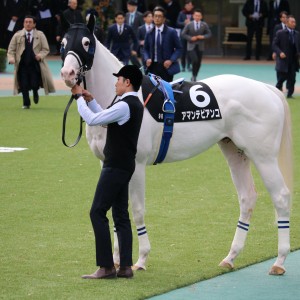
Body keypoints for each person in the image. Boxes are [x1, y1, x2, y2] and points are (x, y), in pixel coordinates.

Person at [71, 65, 144, 279]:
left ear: (127, 82)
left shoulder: (124, 105)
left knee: (97, 212)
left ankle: (106, 266)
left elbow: (94, 120)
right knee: (120, 215)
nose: (116, 83)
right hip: (124, 164)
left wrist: (78, 99)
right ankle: (125, 267)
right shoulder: (130, 103)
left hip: (115, 166)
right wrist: (90, 100)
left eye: (119, 79)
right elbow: (104, 115)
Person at [7, 15, 55, 109]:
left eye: (30, 22)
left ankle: (35, 92)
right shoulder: (17, 35)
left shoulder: (40, 35)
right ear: (23, 23)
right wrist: (11, 58)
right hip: (22, 65)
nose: (28, 24)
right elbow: (11, 50)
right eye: (26, 22)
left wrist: (40, 56)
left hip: (35, 65)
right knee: (23, 84)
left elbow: (45, 49)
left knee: (34, 83)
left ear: (34, 24)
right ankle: (26, 103)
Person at [143, 6, 182, 82]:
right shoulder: (149, 32)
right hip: (152, 66)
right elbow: (145, 49)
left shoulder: (172, 32)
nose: (157, 18)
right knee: (153, 90)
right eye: (155, 16)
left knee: (166, 90)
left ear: (164, 19)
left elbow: (179, 48)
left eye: (159, 16)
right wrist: (147, 58)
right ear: (153, 18)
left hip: (166, 67)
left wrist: (171, 60)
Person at [272, 15, 300, 99]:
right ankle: (277, 91)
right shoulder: (280, 33)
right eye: (292, 22)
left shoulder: (297, 34)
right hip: (283, 60)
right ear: (287, 23)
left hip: (293, 60)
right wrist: (279, 52)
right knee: (281, 78)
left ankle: (290, 94)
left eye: (295, 22)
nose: (294, 24)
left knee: (292, 78)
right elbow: (274, 45)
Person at [181, 9, 211, 82]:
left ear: (201, 17)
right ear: (193, 16)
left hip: (200, 46)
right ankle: (193, 76)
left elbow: (209, 34)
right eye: (196, 15)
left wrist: (203, 37)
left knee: (199, 62)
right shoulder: (189, 24)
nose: (197, 17)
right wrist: (190, 38)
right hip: (191, 46)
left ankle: (194, 75)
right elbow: (183, 34)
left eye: (199, 16)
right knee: (195, 60)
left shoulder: (204, 24)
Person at [125, 0, 144, 67]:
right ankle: (138, 67)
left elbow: (143, 27)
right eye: (127, 6)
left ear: (134, 7)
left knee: (131, 53)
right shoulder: (127, 15)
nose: (128, 7)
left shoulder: (140, 15)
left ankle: (139, 67)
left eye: (129, 6)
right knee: (129, 54)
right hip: (128, 38)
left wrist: (142, 38)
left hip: (136, 38)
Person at [176, 0, 194, 72]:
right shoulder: (181, 13)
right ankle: (183, 66)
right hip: (183, 35)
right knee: (183, 51)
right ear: (185, 6)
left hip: (191, 35)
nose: (189, 7)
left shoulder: (194, 14)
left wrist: (191, 23)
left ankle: (189, 66)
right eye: (188, 5)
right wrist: (184, 23)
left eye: (190, 5)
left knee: (190, 51)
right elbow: (177, 23)